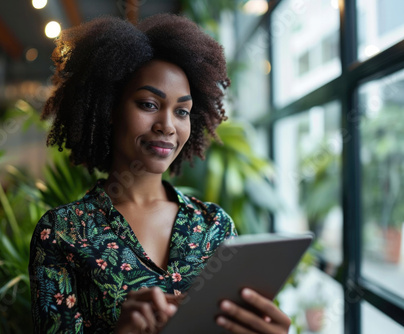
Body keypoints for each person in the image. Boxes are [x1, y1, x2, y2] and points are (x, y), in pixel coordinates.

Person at [29, 13, 291, 334]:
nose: (167, 126)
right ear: (110, 109)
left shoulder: (214, 227)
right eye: (149, 104)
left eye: (182, 111)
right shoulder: (62, 233)